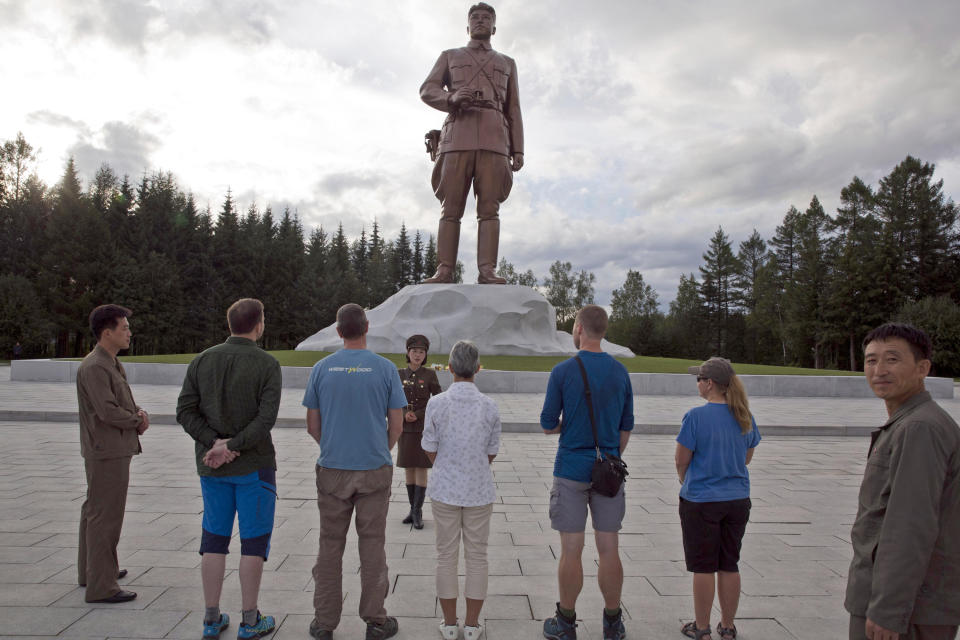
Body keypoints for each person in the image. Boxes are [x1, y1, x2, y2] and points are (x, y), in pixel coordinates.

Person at [845, 323, 960, 640]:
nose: (879, 370)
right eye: (871, 360)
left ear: (922, 368)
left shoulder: (919, 428)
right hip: (902, 602)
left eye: (892, 359)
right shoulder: (908, 422)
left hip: (907, 610)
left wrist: (888, 610)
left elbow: (910, 524)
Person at [176, 298, 281, 640]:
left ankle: (211, 617)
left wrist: (214, 443)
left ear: (230, 323)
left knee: (214, 540)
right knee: (253, 543)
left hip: (212, 468)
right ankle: (250, 620)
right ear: (259, 324)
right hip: (254, 467)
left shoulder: (202, 360)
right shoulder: (266, 364)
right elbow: (265, 420)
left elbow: (185, 410)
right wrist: (231, 446)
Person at [303, 303, 406, 640]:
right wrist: (381, 448)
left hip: (333, 467)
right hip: (374, 466)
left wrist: (332, 446)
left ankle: (324, 623)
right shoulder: (386, 368)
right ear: (367, 327)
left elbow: (312, 425)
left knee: (330, 544)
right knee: (373, 544)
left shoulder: (321, 368)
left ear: (338, 331)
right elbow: (397, 422)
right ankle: (376, 619)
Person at [539, 305, 633, 640]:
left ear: (579, 328)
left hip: (571, 469)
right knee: (609, 547)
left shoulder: (563, 371)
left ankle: (565, 622)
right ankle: (612, 621)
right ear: (604, 330)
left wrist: (569, 427)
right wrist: (607, 458)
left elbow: (548, 423)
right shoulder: (621, 372)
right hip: (607, 470)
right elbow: (625, 429)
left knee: (571, 549)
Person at [420, 2, 524, 284]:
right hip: (458, 135)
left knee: (490, 208)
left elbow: (513, 109)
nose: (480, 21)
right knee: (450, 206)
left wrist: (518, 149)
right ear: (467, 26)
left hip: (495, 138)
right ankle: (444, 269)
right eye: (475, 18)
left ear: (494, 26)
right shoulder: (449, 55)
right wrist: (450, 98)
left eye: (486, 18)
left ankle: (487, 270)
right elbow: (427, 89)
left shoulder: (507, 63)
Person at [675, 357, 761, 640]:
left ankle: (701, 628)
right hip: (737, 500)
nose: (697, 384)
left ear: (709, 384)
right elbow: (746, 458)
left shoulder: (695, 417)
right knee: (729, 563)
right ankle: (727, 625)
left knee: (703, 567)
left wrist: (686, 480)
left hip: (701, 501)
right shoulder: (744, 415)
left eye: (699, 379)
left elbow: (681, 460)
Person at [421, 340, 501, 640]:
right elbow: (491, 451)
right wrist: (472, 465)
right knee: (478, 556)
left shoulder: (436, 403)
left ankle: (450, 623)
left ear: (450, 368)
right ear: (478, 369)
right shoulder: (489, 406)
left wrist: (447, 464)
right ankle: (471, 625)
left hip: (445, 489)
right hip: (479, 489)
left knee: (446, 556)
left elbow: (429, 446)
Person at [76, 304, 148, 603]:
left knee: (96, 510)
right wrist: (137, 420)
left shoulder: (110, 363)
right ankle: (101, 586)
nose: (129, 332)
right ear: (107, 333)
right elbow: (106, 411)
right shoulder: (95, 366)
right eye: (124, 328)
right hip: (107, 450)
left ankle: (95, 571)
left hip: (111, 447)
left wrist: (137, 412)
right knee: (106, 515)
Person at [398, 334, 443, 530]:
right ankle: (411, 509)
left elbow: (438, 401)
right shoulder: (399, 374)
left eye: (421, 352)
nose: (417, 355)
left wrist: (418, 413)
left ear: (425, 355)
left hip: (423, 427)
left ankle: (418, 511)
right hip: (405, 428)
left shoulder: (430, 375)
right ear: (408, 352)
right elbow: (391, 398)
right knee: (408, 467)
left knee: (421, 468)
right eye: (414, 351)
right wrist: (404, 413)